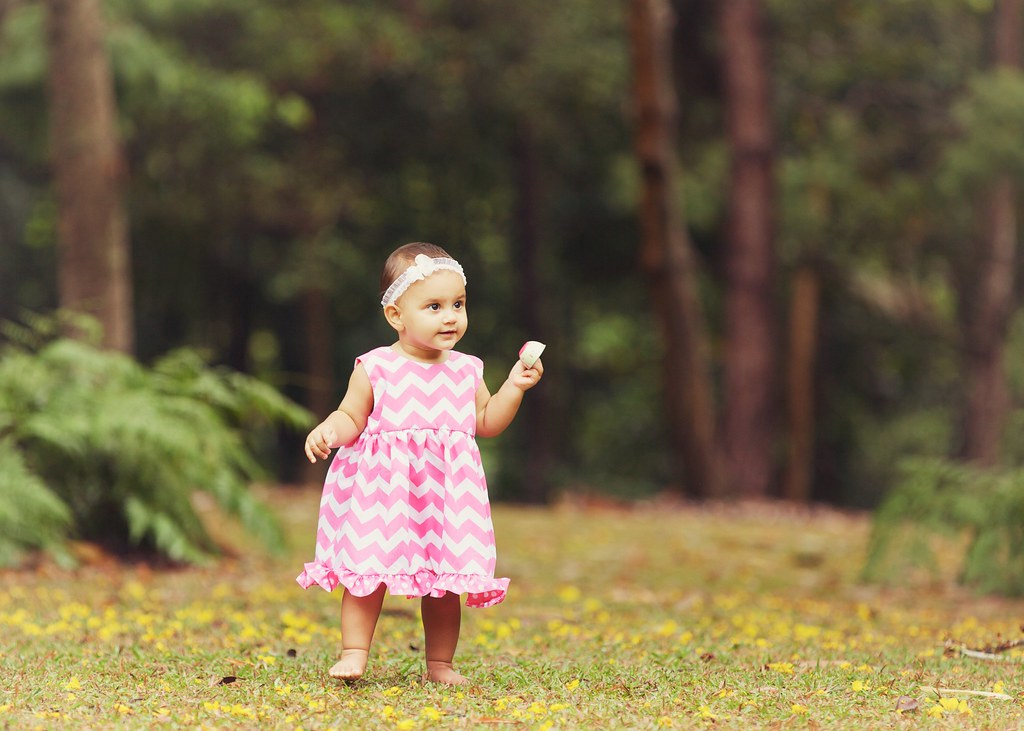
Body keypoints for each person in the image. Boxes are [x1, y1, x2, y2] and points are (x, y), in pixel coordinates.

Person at [296, 242, 544, 686]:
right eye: (434, 306)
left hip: (446, 497)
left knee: (444, 582)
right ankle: (354, 652)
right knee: (367, 573)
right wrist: (329, 431)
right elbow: (351, 415)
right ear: (396, 315)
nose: (451, 316)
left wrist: (514, 387)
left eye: (458, 304)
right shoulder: (377, 366)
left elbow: (486, 422)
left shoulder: (467, 369)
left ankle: (440, 665)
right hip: (383, 493)